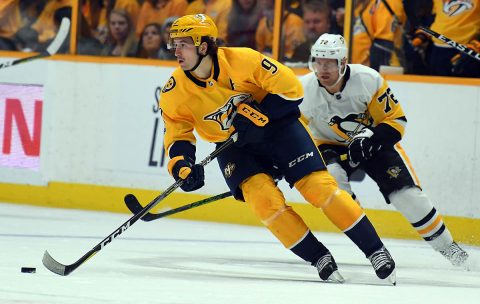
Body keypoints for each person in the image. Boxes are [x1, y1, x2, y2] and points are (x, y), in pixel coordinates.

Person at [160, 13, 396, 284]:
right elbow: (177, 134)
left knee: (319, 187)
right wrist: (182, 166)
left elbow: (292, 90)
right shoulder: (174, 91)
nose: (176, 51)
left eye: (183, 44)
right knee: (263, 201)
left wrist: (259, 116)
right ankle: (318, 257)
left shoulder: (243, 60)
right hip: (234, 146)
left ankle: (375, 250)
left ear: (203, 46)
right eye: (174, 44)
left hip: (278, 129)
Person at [299, 33, 469, 268]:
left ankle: (449, 248)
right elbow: (292, 134)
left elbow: (397, 122)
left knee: (407, 196)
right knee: (336, 192)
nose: (323, 68)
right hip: (326, 145)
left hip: (371, 141)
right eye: (318, 61)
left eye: (330, 62)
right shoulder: (302, 90)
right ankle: (373, 248)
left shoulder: (369, 80)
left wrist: (370, 139)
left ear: (343, 62)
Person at [287, 0, 332, 65]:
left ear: (328, 23)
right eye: (307, 22)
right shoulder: (300, 50)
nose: (311, 26)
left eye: (316, 21)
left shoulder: (336, 50)